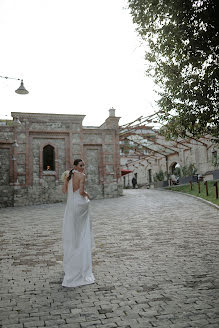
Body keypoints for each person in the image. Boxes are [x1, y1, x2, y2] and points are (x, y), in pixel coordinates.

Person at [61, 159, 95, 287]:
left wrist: (66, 181)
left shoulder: (68, 175)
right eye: (81, 165)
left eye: (84, 165)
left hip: (71, 206)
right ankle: (81, 258)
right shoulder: (82, 176)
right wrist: (87, 194)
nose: (83, 167)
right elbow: (81, 192)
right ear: (76, 166)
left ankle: (74, 257)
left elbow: (64, 191)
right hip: (80, 204)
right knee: (82, 231)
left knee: (72, 230)